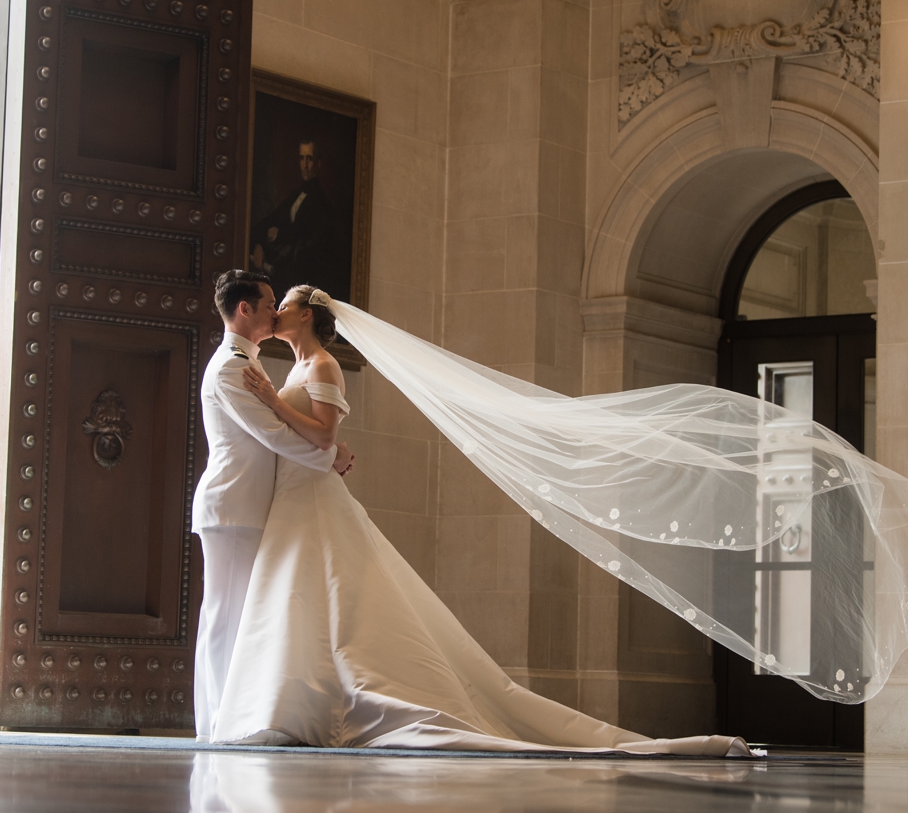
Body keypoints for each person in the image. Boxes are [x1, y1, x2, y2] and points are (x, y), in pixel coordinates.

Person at [212, 284, 754, 755]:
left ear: (305, 314)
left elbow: (321, 434)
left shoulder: (323, 365)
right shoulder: (289, 367)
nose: (275, 312)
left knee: (328, 593)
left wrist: (287, 413)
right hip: (295, 494)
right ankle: (295, 705)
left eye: (282, 305)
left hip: (311, 495)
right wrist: (315, 437)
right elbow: (312, 438)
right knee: (300, 595)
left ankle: (320, 704)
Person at [190, 270, 354, 741]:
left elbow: (286, 429)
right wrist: (330, 455)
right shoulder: (229, 366)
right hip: (233, 505)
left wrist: (329, 449)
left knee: (238, 616)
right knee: (223, 617)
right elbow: (273, 434)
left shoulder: (253, 362)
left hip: (249, 506)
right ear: (245, 309)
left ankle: (228, 717)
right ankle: (215, 724)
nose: (274, 311)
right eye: (267, 305)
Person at [250, 139, 345, 299]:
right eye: (302, 158)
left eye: (309, 158)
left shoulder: (322, 204)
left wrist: (281, 234)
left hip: (300, 281)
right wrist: (258, 243)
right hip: (282, 276)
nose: (305, 165)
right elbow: (270, 221)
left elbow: (310, 244)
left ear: (318, 163)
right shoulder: (296, 196)